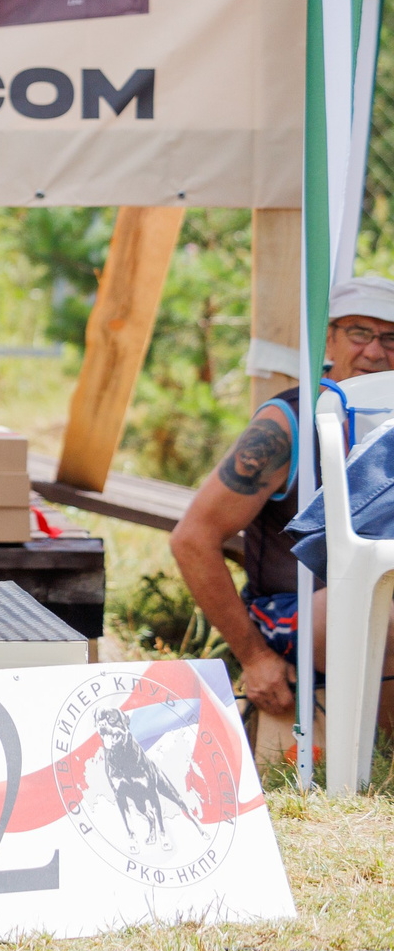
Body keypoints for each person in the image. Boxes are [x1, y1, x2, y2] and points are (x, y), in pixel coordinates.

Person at [169, 278, 394, 730]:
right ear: (329, 337)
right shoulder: (289, 421)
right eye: (359, 333)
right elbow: (192, 539)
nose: (375, 352)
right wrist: (253, 657)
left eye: (391, 338)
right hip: (296, 614)